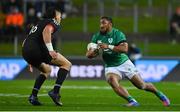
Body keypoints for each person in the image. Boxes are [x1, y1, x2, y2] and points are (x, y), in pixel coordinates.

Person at [86, 16, 170, 107]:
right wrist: (93, 52)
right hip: (111, 66)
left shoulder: (118, 34)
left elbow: (125, 49)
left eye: (103, 23)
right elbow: (88, 55)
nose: (101, 25)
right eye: (100, 23)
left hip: (124, 63)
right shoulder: (96, 36)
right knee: (112, 81)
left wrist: (108, 46)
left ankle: (159, 94)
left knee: (142, 86)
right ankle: (132, 101)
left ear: (110, 24)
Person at [22, 7, 72, 106]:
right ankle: (55, 92)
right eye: (59, 14)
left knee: (46, 70)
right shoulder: (52, 22)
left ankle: (33, 96)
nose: (60, 17)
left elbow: (25, 41)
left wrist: (29, 60)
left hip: (26, 52)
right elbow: (47, 30)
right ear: (54, 16)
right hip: (37, 50)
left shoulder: (38, 23)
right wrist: (51, 50)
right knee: (67, 64)